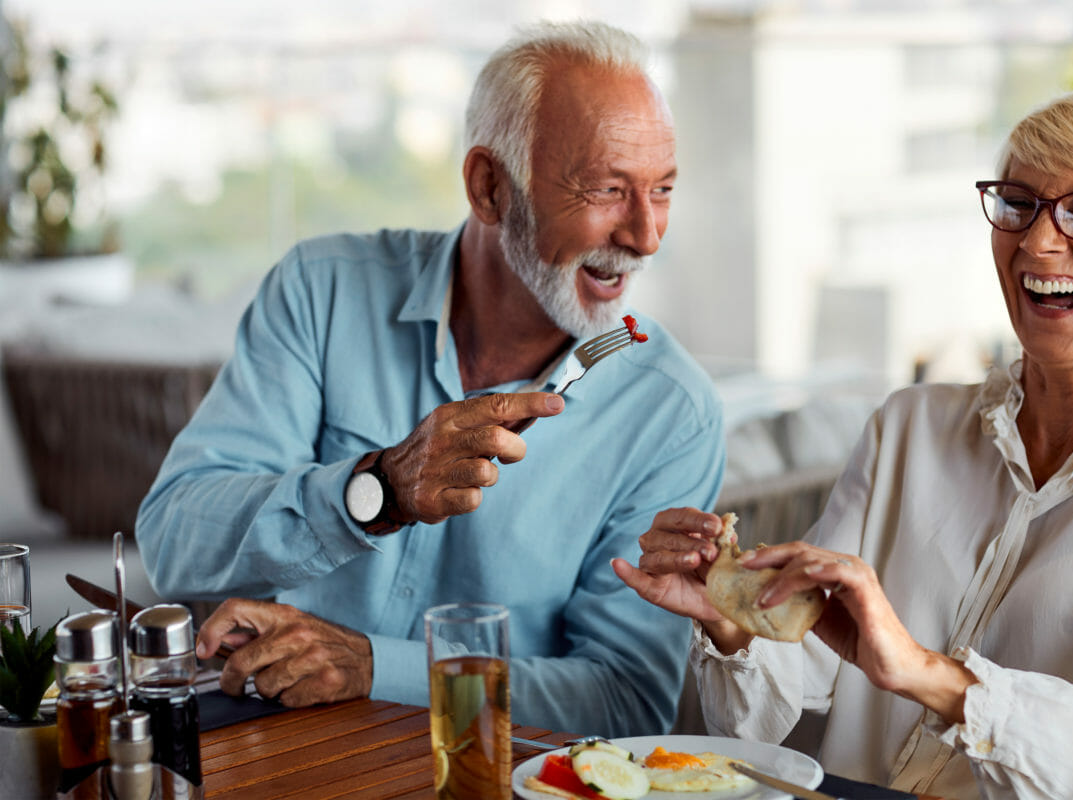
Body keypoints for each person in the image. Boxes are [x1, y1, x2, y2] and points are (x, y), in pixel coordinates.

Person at [135, 20, 725, 738]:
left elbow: (625, 702)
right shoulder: (322, 291)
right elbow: (171, 542)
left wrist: (372, 667)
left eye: (661, 189)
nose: (646, 235)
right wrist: (375, 489)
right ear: (489, 187)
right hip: (271, 753)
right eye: (607, 189)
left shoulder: (671, 412)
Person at [615, 89, 1073, 799]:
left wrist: (923, 672)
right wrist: (733, 614)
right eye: (1018, 203)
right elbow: (777, 694)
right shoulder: (908, 427)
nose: (1039, 242)